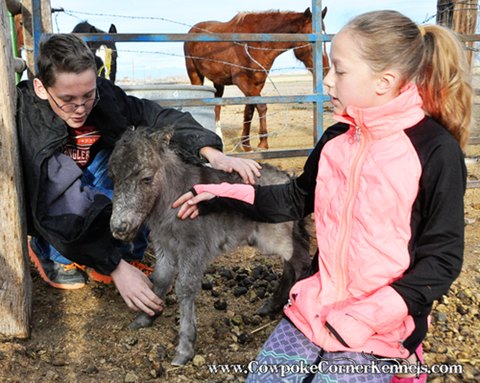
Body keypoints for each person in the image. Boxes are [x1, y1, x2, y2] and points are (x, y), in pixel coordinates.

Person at [173, 10, 472, 383]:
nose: (327, 79)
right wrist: (220, 194)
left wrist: (370, 316)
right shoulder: (335, 140)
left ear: (385, 81)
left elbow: (442, 257)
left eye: (340, 71)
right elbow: (295, 199)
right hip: (315, 306)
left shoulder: (434, 150)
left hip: (381, 327)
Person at [16, 33, 261, 317]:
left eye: (88, 95)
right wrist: (116, 268)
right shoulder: (32, 122)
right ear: (41, 88)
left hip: (94, 174)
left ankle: (128, 252)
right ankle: (50, 252)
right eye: (68, 100)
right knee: (65, 194)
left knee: (137, 163)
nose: (81, 108)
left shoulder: (104, 96)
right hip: (57, 193)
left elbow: (154, 116)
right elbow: (58, 198)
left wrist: (210, 152)